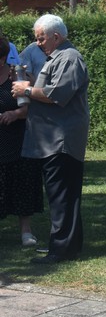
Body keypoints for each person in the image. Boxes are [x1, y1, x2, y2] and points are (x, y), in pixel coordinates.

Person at [10, 15, 89, 264]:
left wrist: (26, 90)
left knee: (61, 197)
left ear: (56, 36)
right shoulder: (58, 57)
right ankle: (68, 246)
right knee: (64, 196)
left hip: (60, 141)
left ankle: (61, 250)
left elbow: (57, 95)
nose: (38, 43)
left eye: (41, 38)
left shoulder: (69, 57)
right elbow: (50, 88)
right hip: (53, 140)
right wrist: (30, 84)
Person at [0, 37, 43, 247]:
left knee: (22, 183)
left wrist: (15, 114)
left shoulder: (17, 76)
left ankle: (26, 231)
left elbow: (30, 108)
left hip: (19, 139)